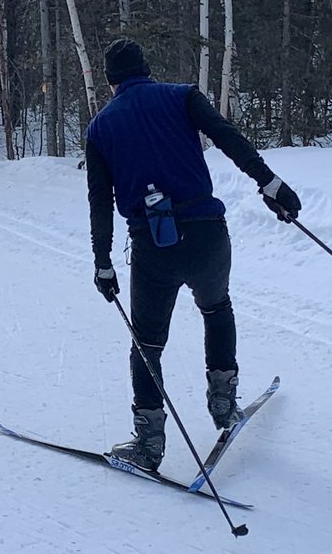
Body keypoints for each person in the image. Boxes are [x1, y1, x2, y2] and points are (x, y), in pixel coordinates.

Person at [85, 38, 302, 473]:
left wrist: (103, 262)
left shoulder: (100, 127)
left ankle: (148, 445)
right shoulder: (182, 95)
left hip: (153, 247)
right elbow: (229, 138)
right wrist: (270, 185)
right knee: (217, 308)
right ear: (146, 68)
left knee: (147, 344)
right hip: (208, 237)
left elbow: (99, 201)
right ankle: (223, 403)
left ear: (110, 81)